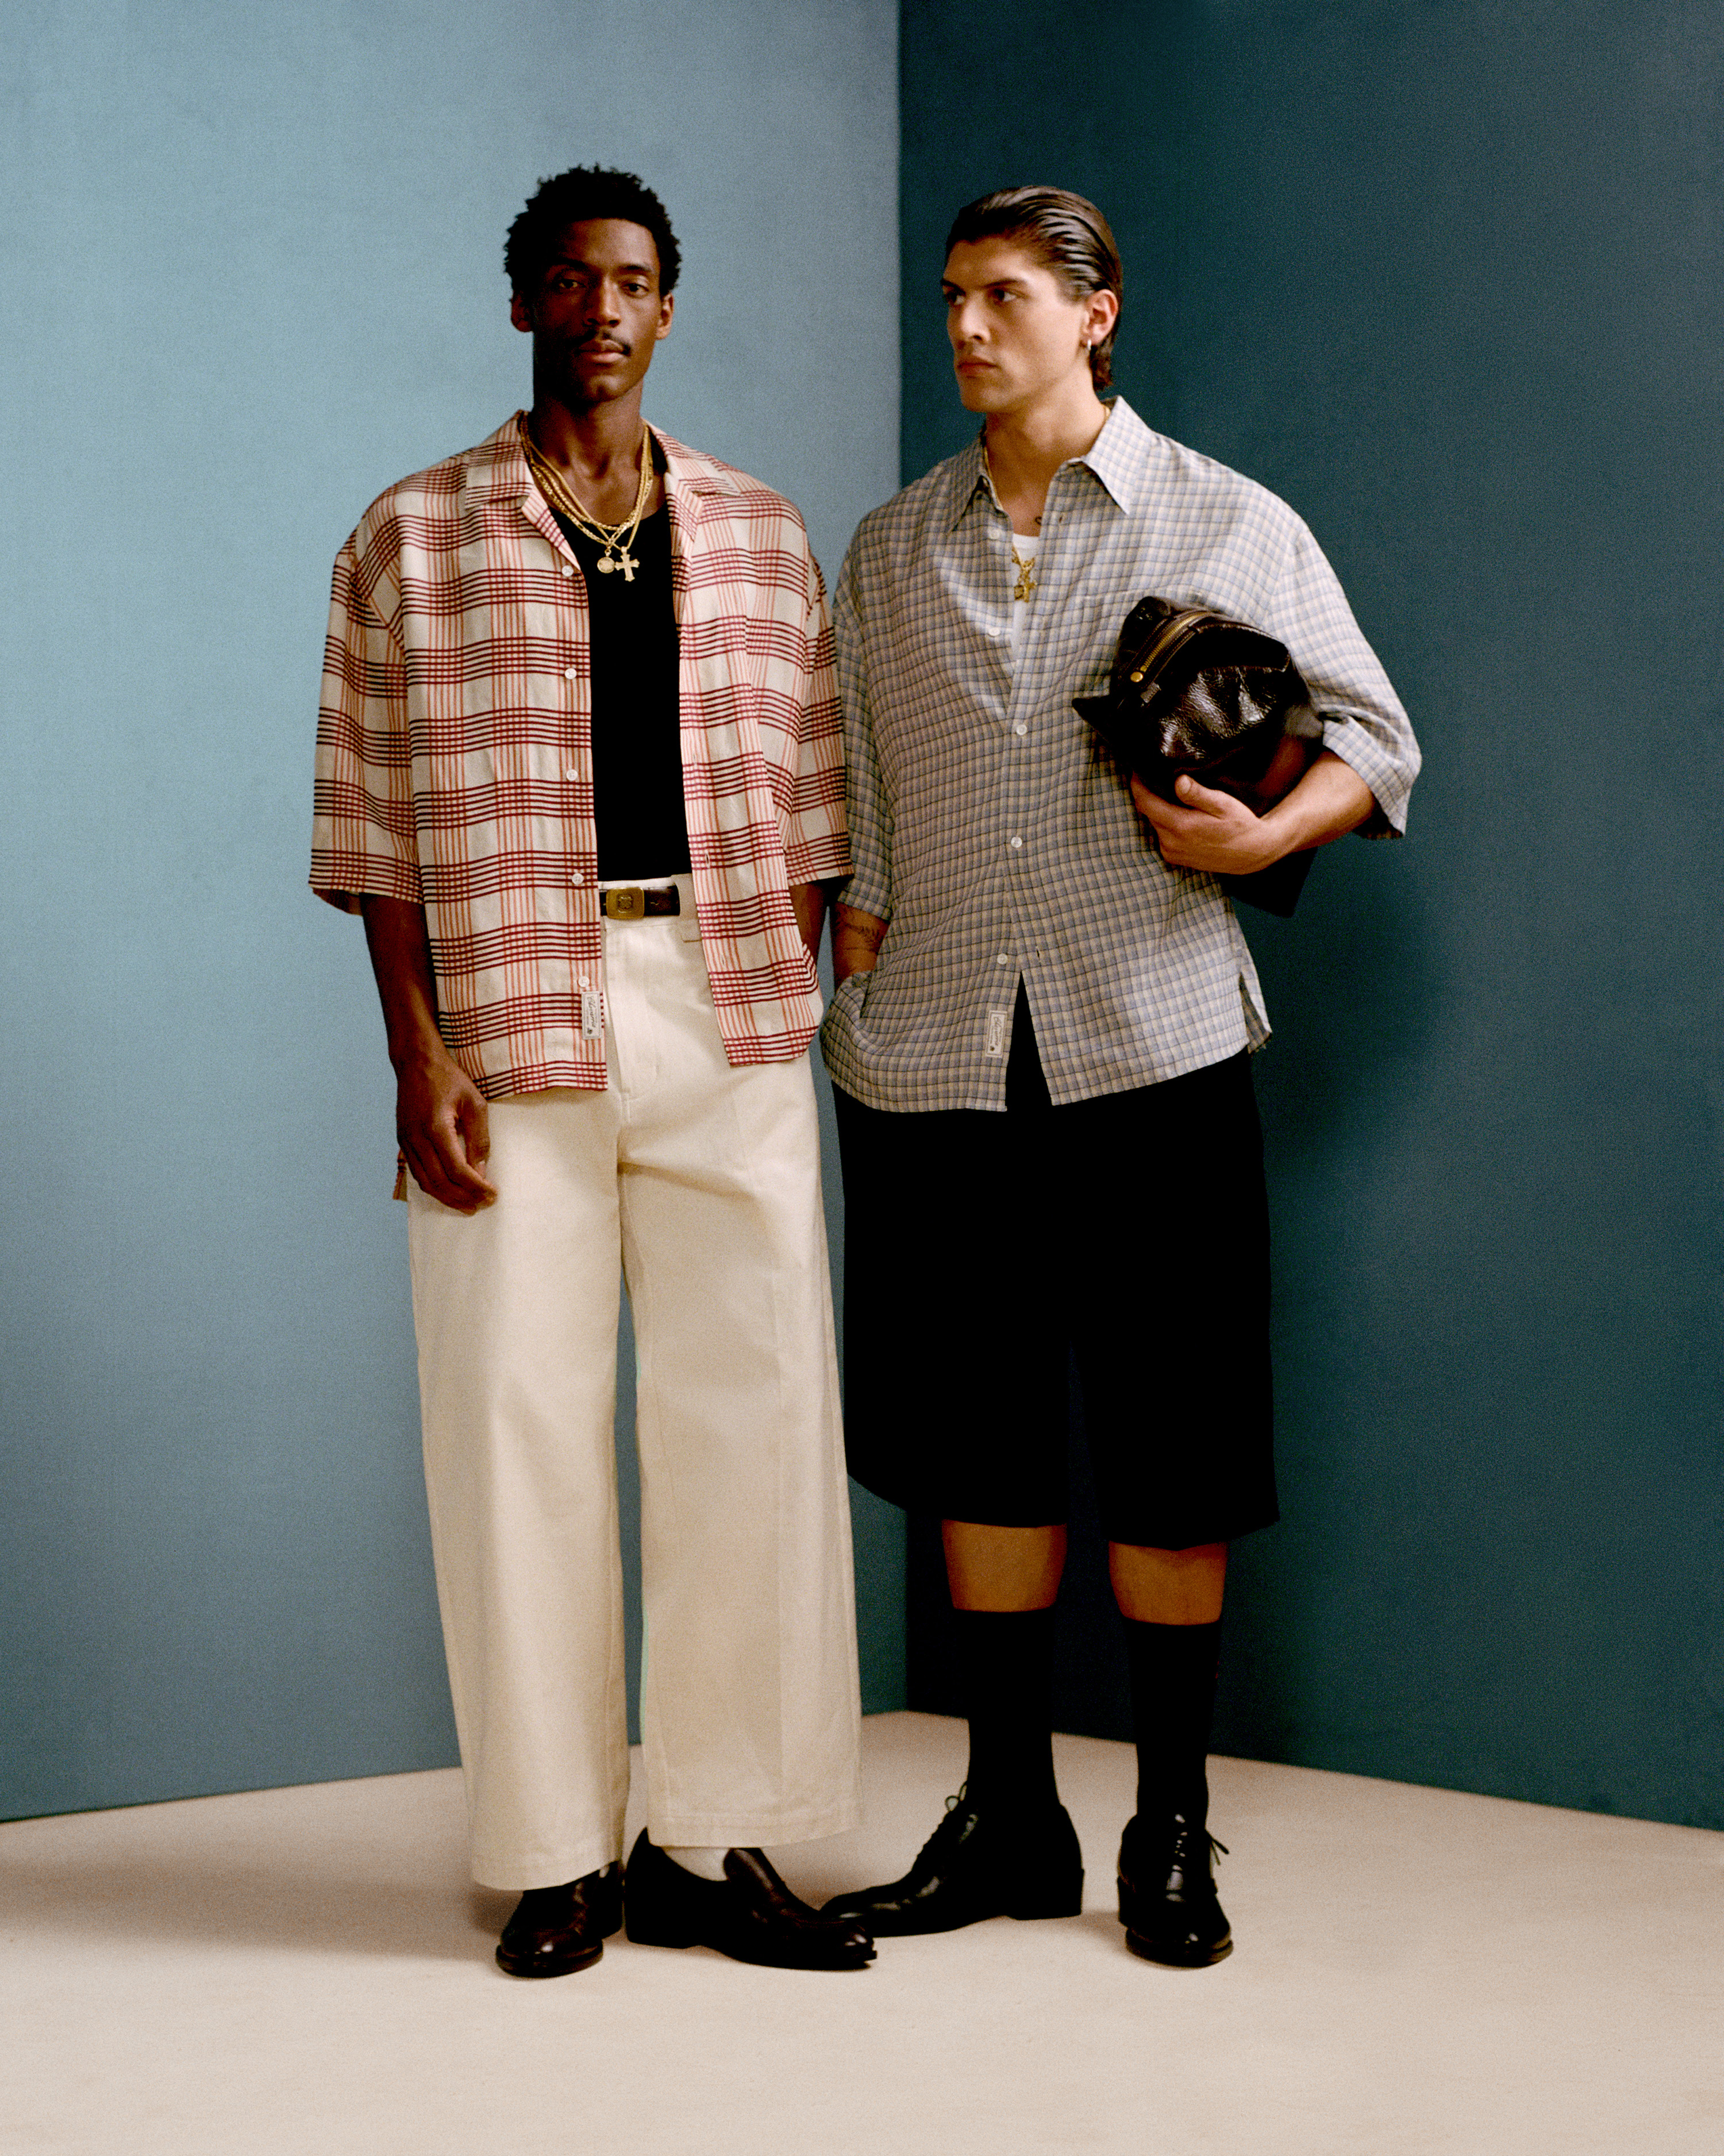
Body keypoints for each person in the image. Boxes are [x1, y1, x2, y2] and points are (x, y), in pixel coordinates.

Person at [819, 186, 1419, 1967]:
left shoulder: (1228, 518)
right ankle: (1010, 1817)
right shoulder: (889, 548)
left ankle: (1169, 1825)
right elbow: (861, 795)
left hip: (1152, 1046)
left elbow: (1379, 738)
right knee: (981, 1447)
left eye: (1003, 294)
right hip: (937, 1057)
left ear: (1097, 313)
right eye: (951, 295)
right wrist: (849, 964)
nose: (964, 326)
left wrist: (1266, 841)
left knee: (1177, 1449)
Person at [310, 166, 872, 1977]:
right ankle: (557, 1851)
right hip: (506, 1009)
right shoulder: (413, 536)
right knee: (517, 1424)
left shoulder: (760, 532)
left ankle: (709, 1838)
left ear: (668, 307)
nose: (601, 309)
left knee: (753, 1414)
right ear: (523, 304)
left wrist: (787, 971)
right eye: (567, 280)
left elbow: (816, 787)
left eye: (630, 281)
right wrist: (415, 1054)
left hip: (727, 1002)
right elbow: (368, 820)